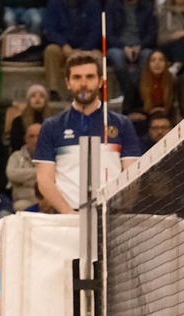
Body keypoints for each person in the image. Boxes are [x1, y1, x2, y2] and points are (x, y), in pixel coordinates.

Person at [34, 53, 141, 213]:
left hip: (111, 217)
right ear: (68, 83)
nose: (83, 83)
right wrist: (69, 214)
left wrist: (121, 209)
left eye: (89, 77)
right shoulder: (52, 126)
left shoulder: (122, 124)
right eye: (77, 77)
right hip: (68, 218)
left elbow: (133, 175)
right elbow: (44, 179)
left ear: (100, 82)